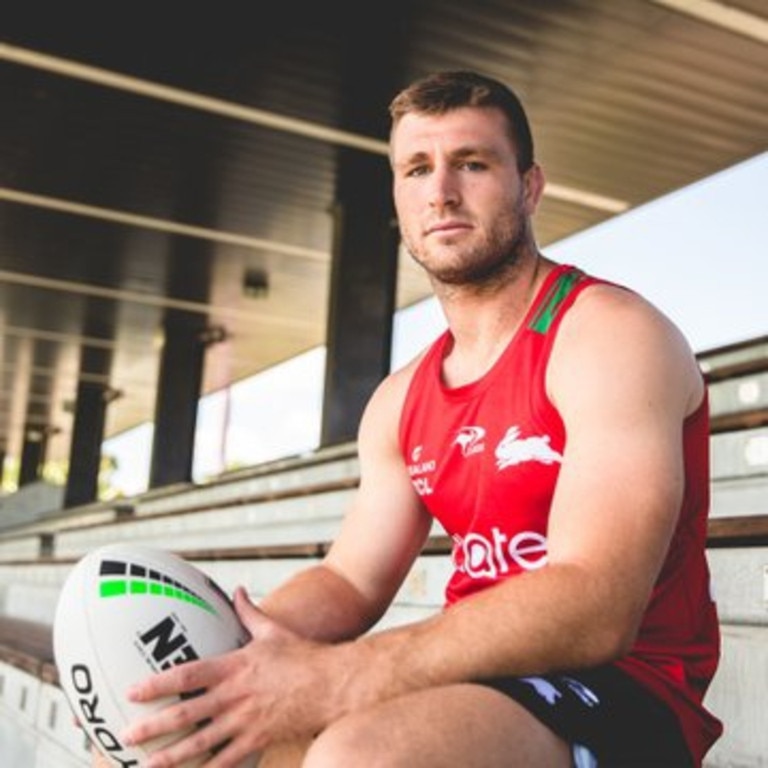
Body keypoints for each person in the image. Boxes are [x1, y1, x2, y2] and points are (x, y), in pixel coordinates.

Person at [94, 70, 723, 767]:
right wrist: (220, 659)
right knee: (192, 747)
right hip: (478, 684)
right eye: (417, 169)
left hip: (625, 692)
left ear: (531, 186)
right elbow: (350, 583)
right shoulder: (401, 399)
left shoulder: (606, 334)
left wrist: (337, 679)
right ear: (398, 199)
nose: (442, 191)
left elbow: (595, 603)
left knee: (361, 757)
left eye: (473, 164)